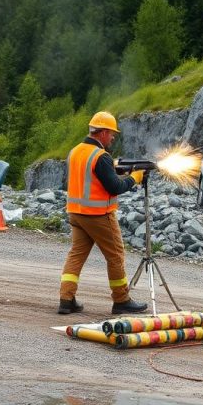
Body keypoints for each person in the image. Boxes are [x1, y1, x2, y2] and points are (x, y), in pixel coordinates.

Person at [57, 111, 148, 315]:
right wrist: (135, 178)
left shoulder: (76, 151)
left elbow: (93, 177)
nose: (113, 137)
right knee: (115, 255)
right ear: (103, 132)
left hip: (76, 212)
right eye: (112, 133)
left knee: (76, 255)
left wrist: (117, 171)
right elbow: (114, 187)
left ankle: (66, 298)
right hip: (98, 214)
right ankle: (121, 299)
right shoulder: (101, 156)